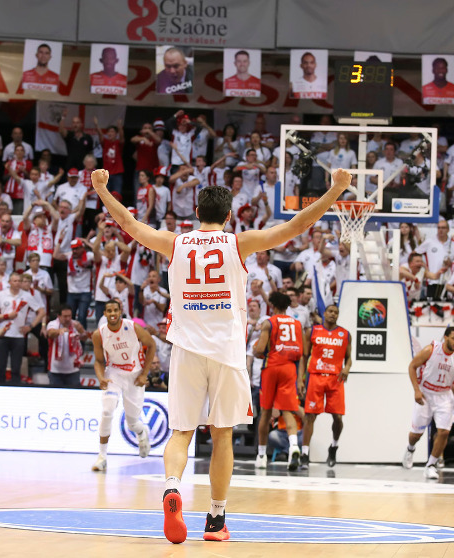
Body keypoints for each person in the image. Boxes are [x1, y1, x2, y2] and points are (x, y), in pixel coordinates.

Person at [90, 165, 354, 543]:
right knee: (223, 434)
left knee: (181, 432)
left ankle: (171, 487)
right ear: (229, 216)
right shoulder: (238, 243)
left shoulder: (175, 243)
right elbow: (297, 226)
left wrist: (102, 189)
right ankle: (215, 519)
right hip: (227, 352)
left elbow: (129, 224)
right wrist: (336, 190)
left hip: (186, 350)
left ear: (196, 212)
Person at [90, 300, 156, 471]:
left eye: (115, 310)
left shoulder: (133, 327)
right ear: (104, 313)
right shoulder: (99, 334)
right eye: (109, 311)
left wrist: (144, 374)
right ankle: (102, 457)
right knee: (107, 411)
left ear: (120, 312)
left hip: (135, 375)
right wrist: (101, 377)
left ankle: (141, 433)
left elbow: (152, 345)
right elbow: (98, 361)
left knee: (132, 422)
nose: (112, 313)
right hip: (114, 374)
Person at [403, 327, 454, 479]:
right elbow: (412, 366)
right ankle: (410, 449)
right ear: (445, 338)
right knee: (416, 434)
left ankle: (431, 465)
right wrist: (416, 390)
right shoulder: (431, 350)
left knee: (444, 431)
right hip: (426, 392)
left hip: (444, 395)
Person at [252, 291, 304, 470]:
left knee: (266, 412)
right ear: (287, 306)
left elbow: (260, 350)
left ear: (272, 305)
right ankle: (294, 447)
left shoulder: (269, 322)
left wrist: (255, 350)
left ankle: (261, 456)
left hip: (272, 367)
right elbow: (301, 352)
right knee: (288, 411)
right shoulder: (297, 324)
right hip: (289, 368)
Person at [298, 302, 352, 468]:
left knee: (338, 417)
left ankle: (334, 446)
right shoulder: (313, 331)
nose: (333, 314)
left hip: (335, 378)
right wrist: (300, 379)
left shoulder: (345, 334)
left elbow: (349, 358)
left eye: (336, 312)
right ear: (324, 313)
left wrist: (347, 368)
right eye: (330, 311)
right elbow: (304, 357)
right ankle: (305, 454)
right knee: (310, 416)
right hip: (316, 376)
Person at [46, 305, 89, 387]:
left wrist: (82, 331)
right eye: (65, 316)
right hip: (56, 370)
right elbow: (50, 333)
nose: (68, 319)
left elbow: (85, 338)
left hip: (73, 370)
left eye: (69, 316)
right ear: (59, 316)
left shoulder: (75, 324)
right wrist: (59, 331)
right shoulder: (53, 324)